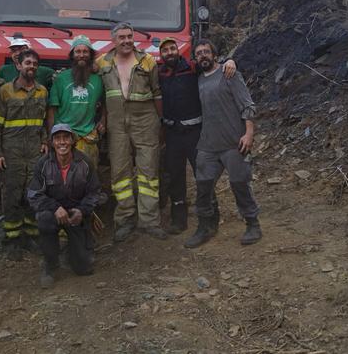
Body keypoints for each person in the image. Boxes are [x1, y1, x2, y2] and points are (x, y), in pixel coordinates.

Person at [186, 39, 261, 249]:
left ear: (214, 54)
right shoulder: (198, 79)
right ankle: (205, 227)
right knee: (203, 187)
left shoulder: (230, 74)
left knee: (240, 184)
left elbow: (247, 104)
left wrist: (249, 133)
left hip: (233, 142)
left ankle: (253, 223)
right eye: (198, 53)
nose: (202, 55)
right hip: (208, 144)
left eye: (206, 52)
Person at [158, 38, 236, 234]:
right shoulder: (160, 73)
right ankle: (179, 220)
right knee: (175, 176)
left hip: (195, 134)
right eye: (165, 50)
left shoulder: (192, 68)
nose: (169, 52)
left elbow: (213, 65)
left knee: (203, 175)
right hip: (172, 134)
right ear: (161, 55)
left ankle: (211, 217)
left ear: (178, 50)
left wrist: (231, 61)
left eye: (172, 48)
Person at [97, 22, 165, 242]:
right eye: (122, 37)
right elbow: (100, 96)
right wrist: (103, 120)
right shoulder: (102, 63)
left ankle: (149, 221)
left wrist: (160, 122)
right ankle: (124, 219)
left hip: (145, 122)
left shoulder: (147, 61)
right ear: (113, 40)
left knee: (148, 171)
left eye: (129, 36)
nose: (126, 40)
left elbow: (157, 93)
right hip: (117, 125)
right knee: (120, 174)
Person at [0, 49, 49, 260]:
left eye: (34, 63)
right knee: (12, 195)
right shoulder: (5, 91)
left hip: (34, 152)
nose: (31, 66)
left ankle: (30, 236)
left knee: (33, 194)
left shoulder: (42, 92)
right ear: (18, 66)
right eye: (27, 63)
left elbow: (43, 122)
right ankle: (12, 240)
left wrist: (44, 141)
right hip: (11, 151)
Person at [28, 124, 101, 288]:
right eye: (58, 138)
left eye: (66, 138)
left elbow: (95, 192)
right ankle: (50, 264)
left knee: (83, 268)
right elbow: (34, 195)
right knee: (44, 220)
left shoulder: (84, 162)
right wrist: (54, 208)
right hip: (53, 213)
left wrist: (82, 211)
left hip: (76, 214)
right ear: (52, 142)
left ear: (72, 141)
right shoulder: (43, 164)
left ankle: (73, 252)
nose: (62, 142)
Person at [47, 35, 106, 182]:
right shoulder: (61, 78)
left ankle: (85, 204)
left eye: (85, 52)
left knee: (87, 175)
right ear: (72, 55)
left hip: (88, 136)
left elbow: (106, 103)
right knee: (62, 176)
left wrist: (103, 120)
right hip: (64, 136)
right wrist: (51, 135)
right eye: (78, 51)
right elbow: (52, 109)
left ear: (91, 55)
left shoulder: (99, 79)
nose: (82, 55)